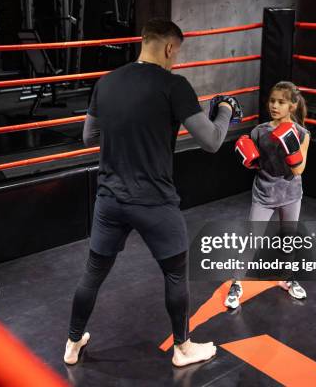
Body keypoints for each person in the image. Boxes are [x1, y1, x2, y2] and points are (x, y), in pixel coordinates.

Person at [64, 18, 242, 367]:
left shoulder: (107, 82)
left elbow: (89, 137)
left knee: (93, 272)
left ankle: (72, 344)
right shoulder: (174, 85)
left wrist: (126, 137)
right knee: (176, 272)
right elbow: (211, 140)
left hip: (109, 199)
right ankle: (182, 347)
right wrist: (225, 111)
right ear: (169, 48)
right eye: (176, 53)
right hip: (155, 202)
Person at [225, 81, 311, 309]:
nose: (274, 105)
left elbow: (299, 170)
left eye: (281, 102)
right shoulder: (259, 131)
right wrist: (249, 160)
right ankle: (236, 283)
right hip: (264, 192)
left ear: (292, 106)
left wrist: (290, 146)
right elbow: (255, 164)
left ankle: (288, 277)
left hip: (291, 193)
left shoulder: (302, 133)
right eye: (272, 101)